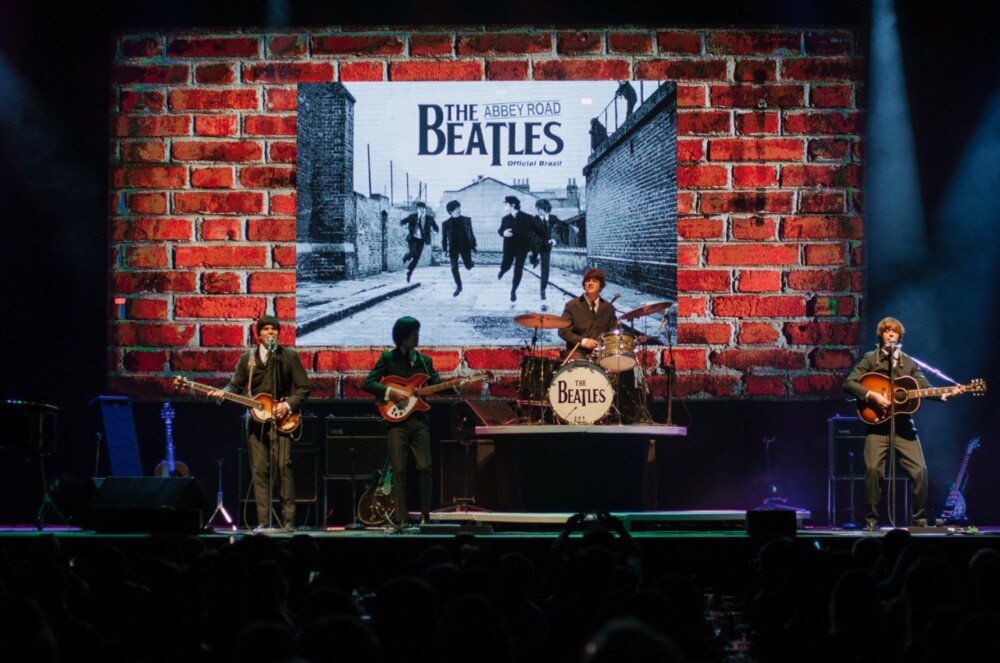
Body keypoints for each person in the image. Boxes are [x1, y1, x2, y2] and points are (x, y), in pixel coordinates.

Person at [843, 317, 961, 530]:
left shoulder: (909, 362)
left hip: (904, 426)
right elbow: (849, 383)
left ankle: (920, 520)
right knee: (872, 470)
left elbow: (924, 387)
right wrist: (872, 395)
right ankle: (871, 521)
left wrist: (944, 394)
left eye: (894, 332)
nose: (890, 334)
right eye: (886, 331)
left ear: (899, 336)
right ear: (881, 335)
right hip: (877, 426)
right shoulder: (872, 358)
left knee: (920, 471)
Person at [210, 315, 311, 531]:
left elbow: (304, 388)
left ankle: (289, 522)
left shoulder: (289, 357)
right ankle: (264, 522)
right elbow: (234, 386)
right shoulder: (248, 359)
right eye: (266, 329)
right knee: (259, 470)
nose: (270, 333)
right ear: (259, 334)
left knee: (283, 467)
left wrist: (288, 405)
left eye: (274, 329)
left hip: (282, 419)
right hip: (255, 422)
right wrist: (223, 393)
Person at [363, 317, 440, 529]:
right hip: (396, 423)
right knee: (398, 470)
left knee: (425, 467)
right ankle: (400, 518)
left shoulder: (425, 361)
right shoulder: (388, 358)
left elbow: (436, 383)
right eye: (414, 333)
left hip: (419, 421)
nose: (418, 336)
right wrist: (391, 392)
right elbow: (368, 382)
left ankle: (426, 516)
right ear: (403, 337)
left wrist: (456, 385)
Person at [558, 268, 618, 362]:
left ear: (601, 286)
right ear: (584, 284)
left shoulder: (608, 308)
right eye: (587, 280)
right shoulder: (572, 305)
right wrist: (582, 341)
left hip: (602, 351)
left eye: (594, 281)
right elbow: (563, 331)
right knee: (580, 364)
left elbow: (614, 332)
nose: (590, 283)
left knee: (620, 363)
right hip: (577, 350)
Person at [497, 195, 548, 302]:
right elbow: (500, 231)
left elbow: (538, 230)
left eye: (506, 204)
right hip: (509, 248)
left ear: (512, 205)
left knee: (518, 270)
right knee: (506, 265)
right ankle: (502, 271)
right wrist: (503, 233)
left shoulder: (527, 218)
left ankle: (513, 291)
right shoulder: (505, 219)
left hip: (522, 249)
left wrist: (549, 238)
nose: (505, 206)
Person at [441, 200, 477, 297]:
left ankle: (470, 263)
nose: (459, 210)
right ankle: (459, 287)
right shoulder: (446, 224)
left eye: (459, 208)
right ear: (451, 211)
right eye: (457, 208)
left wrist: (474, 247)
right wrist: (444, 250)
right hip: (453, 248)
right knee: (454, 268)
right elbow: (444, 238)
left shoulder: (467, 220)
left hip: (465, 246)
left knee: (468, 266)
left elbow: (471, 234)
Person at [529, 199, 560, 300]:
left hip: (546, 247)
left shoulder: (552, 219)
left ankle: (543, 290)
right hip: (535, 246)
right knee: (533, 259)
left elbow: (556, 230)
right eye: (538, 208)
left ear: (546, 209)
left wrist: (554, 239)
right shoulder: (534, 219)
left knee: (545, 269)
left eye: (540, 209)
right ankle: (534, 259)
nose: (538, 211)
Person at [400, 201, 439, 283]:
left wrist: (435, 231)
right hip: (413, 239)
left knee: (417, 258)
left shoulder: (429, 218)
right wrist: (403, 227)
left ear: (425, 209)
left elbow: (436, 227)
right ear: (417, 209)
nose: (421, 210)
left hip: (421, 240)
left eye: (423, 208)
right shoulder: (412, 217)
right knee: (412, 253)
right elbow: (403, 221)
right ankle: (407, 256)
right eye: (420, 208)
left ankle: (409, 272)